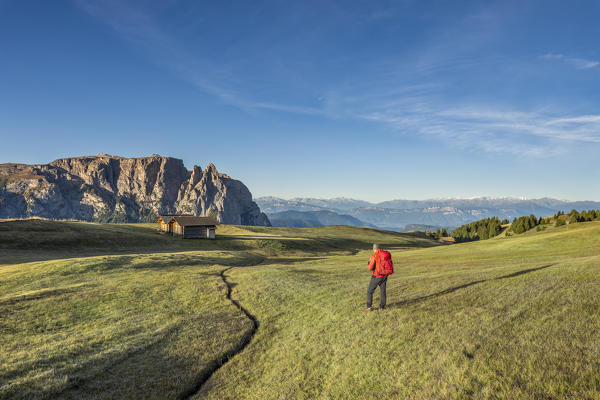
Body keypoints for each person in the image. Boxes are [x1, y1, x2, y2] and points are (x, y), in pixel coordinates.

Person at [364, 243, 394, 311]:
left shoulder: (374, 255)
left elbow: (370, 267)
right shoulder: (386, 253)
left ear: (374, 249)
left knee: (369, 291)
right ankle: (382, 307)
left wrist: (369, 262)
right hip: (385, 275)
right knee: (383, 291)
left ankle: (369, 307)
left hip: (377, 276)